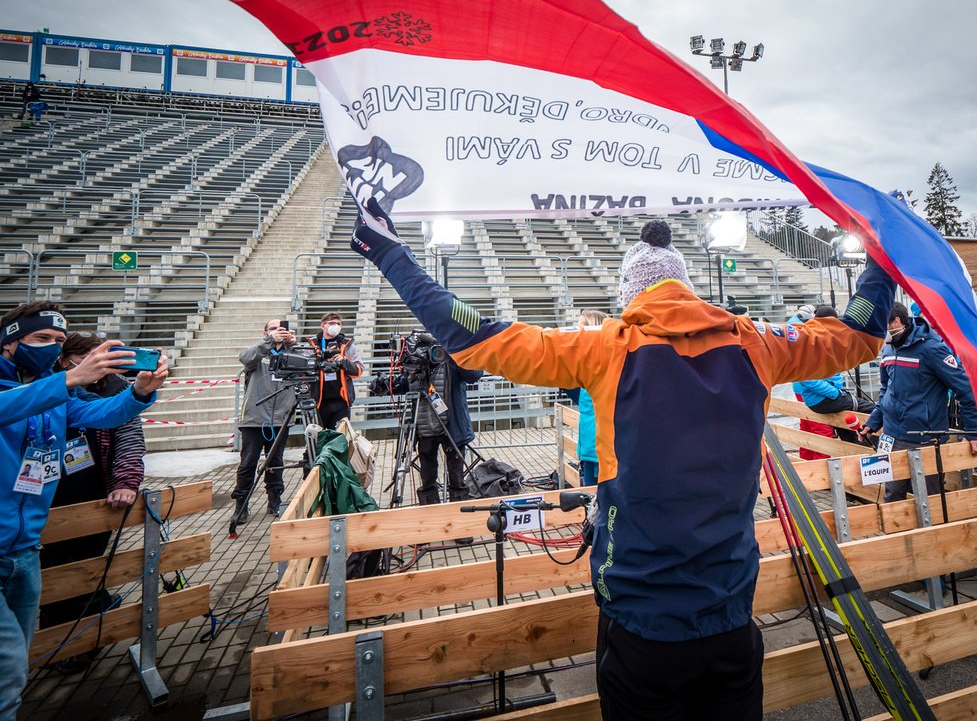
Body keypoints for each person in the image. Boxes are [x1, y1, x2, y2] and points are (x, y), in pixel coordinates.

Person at [351, 205, 893, 720]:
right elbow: (863, 329)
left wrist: (389, 253)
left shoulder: (604, 346)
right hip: (731, 613)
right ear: (685, 285)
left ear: (631, 294)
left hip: (641, 620)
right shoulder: (757, 341)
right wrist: (879, 258)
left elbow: (471, 331)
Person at [0, 302, 167, 717]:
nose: (51, 348)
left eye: (57, 341)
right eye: (41, 339)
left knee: (14, 663)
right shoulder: (46, 387)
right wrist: (70, 377)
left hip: (24, 550)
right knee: (7, 671)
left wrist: (140, 392)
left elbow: (102, 414)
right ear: (9, 342)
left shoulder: (57, 391)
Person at [40, 333, 147, 649]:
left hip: (94, 497)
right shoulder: (44, 390)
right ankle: (55, 642)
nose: (100, 366)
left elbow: (129, 438)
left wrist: (125, 482)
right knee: (52, 574)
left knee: (87, 566)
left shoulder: (115, 390)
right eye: (90, 359)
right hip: (43, 500)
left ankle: (85, 637)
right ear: (65, 361)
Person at [863, 303, 977, 502]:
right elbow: (887, 390)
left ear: (896, 321)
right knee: (892, 496)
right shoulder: (888, 348)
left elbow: (965, 390)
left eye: (880, 322)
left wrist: (975, 432)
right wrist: (873, 422)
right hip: (893, 437)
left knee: (930, 499)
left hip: (925, 438)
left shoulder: (931, 348)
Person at [393, 335, 484, 506]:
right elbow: (405, 384)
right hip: (424, 428)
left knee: (457, 478)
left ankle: (459, 514)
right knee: (427, 479)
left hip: (452, 427)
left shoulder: (450, 356)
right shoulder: (416, 360)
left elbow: (474, 375)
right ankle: (431, 513)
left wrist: (453, 352)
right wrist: (386, 385)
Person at [789, 305, 874, 460]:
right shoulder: (812, 342)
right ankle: (824, 475)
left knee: (812, 431)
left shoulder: (813, 338)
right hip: (821, 395)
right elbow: (807, 378)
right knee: (823, 432)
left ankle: (810, 469)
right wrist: (835, 393)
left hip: (815, 393)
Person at [235, 318, 300, 519]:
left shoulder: (291, 352)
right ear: (266, 333)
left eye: (281, 329)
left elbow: (305, 371)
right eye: (273, 329)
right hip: (255, 419)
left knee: (275, 462)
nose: (278, 332)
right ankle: (241, 505)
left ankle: (274, 501)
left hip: (281, 418)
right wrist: (269, 342)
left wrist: (293, 346)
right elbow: (245, 358)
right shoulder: (259, 352)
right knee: (248, 463)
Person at [306, 312, 364, 430]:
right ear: (323, 326)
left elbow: (359, 370)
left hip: (341, 401)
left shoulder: (347, 345)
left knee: (339, 439)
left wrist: (344, 362)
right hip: (318, 400)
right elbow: (304, 369)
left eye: (338, 323)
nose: (336, 326)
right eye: (332, 323)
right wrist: (319, 363)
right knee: (318, 439)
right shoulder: (312, 345)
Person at [574, 309, 608, 487]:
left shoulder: (602, 363)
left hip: (601, 450)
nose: (576, 330)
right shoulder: (586, 364)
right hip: (588, 448)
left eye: (581, 326)